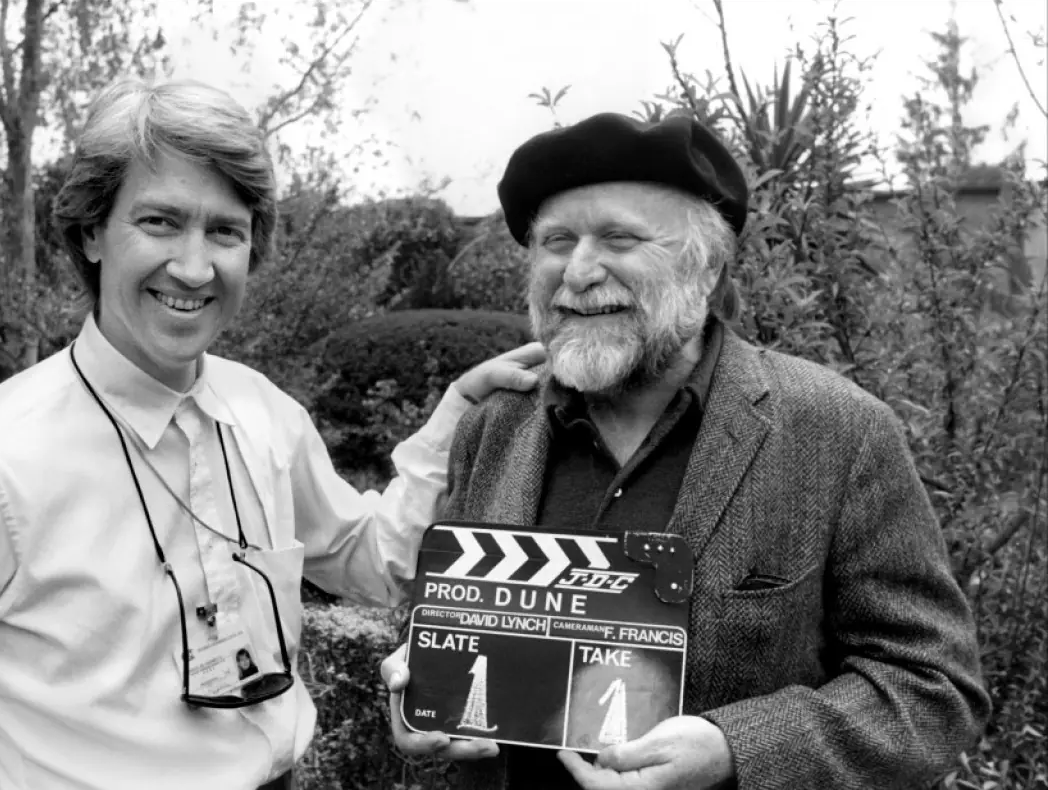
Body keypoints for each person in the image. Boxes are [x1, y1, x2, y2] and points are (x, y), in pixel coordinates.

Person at [0, 78, 544, 790]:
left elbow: (368, 559)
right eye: (158, 221)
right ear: (91, 232)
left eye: (224, 231)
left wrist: (453, 422)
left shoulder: (265, 414)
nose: (193, 266)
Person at [382, 112, 990, 790]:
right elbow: (446, 623)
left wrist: (734, 748)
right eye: (556, 241)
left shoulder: (837, 431)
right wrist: (420, 684)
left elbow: (931, 688)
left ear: (705, 271)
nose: (578, 272)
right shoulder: (494, 425)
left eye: (619, 237)